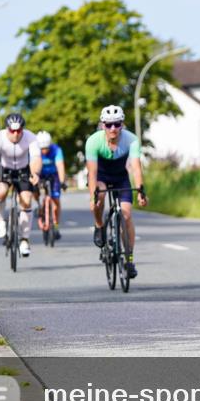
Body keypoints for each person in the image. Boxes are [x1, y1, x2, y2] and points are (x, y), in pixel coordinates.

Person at [85, 105, 147, 279]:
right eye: (109, 124)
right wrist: (93, 197)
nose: (113, 128)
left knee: (126, 215)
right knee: (100, 196)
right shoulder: (93, 141)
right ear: (102, 125)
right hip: (102, 176)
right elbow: (93, 172)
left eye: (117, 124)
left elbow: (136, 168)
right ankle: (99, 225)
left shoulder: (131, 140)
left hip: (121, 177)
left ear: (122, 124)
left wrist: (141, 191)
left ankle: (129, 259)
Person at [0, 113, 41, 257]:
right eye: (12, 131)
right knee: (0, 192)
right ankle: (0, 220)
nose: (16, 134)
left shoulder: (30, 137)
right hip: (5, 170)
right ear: (7, 129)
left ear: (23, 129)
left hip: (24, 170)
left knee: (26, 201)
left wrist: (35, 173)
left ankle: (24, 239)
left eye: (19, 131)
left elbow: (36, 158)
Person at [34, 130, 67, 240]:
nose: (44, 151)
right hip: (40, 175)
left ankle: (56, 226)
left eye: (46, 148)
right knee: (34, 190)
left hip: (54, 176)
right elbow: (32, 167)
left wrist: (62, 182)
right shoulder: (35, 150)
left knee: (56, 200)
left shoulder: (56, 150)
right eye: (42, 149)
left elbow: (60, 165)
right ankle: (39, 206)